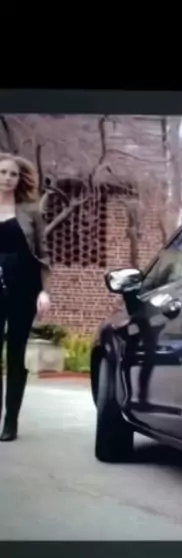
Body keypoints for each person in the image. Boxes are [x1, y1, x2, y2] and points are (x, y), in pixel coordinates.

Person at [0, 153, 51, 441]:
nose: (8, 178)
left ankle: (11, 422)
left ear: (20, 179)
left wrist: (44, 291)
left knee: (16, 354)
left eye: (13, 174)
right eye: (3, 172)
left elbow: (43, 254)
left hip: (24, 288)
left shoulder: (30, 211)